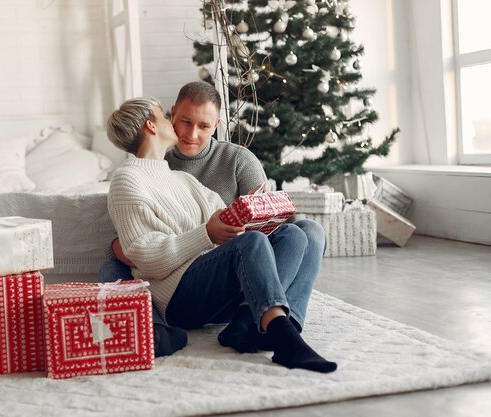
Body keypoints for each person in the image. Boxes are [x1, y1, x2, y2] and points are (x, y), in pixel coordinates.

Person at [105, 97, 337, 373]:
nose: (172, 122)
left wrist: (251, 212)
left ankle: (272, 327)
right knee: (251, 242)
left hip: (215, 284)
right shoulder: (127, 179)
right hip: (179, 298)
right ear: (151, 126)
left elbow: (224, 221)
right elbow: (144, 257)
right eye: (165, 117)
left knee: (297, 235)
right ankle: (280, 335)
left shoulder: (182, 179)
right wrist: (207, 234)